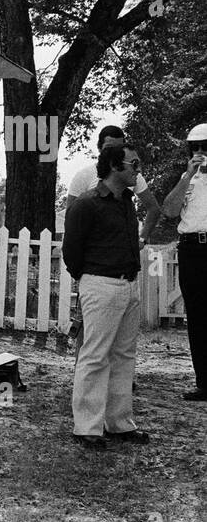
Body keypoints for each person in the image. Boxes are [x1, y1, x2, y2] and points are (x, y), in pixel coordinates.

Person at [63, 140, 147, 450]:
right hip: (100, 284)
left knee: (124, 356)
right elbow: (71, 252)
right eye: (133, 165)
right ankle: (87, 427)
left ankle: (119, 423)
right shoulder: (86, 204)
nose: (138, 171)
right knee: (95, 355)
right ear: (114, 166)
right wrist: (89, 279)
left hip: (128, 285)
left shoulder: (127, 201)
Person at [160, 123, 207, 401]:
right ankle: (204, 381)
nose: (200, 152)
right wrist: (188, 176)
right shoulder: (187, 178)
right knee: (198, 318)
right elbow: (169, 210)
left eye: (205, 146)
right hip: (192, 249)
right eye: (195, 147)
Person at [68, 126, 161, 239]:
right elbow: (71, 217)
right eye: (109, 148)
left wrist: (142, 239)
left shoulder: (134, 177)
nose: (113, 153)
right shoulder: (83, 176)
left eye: (118, 148)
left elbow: (153, 208)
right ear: (99, 148)